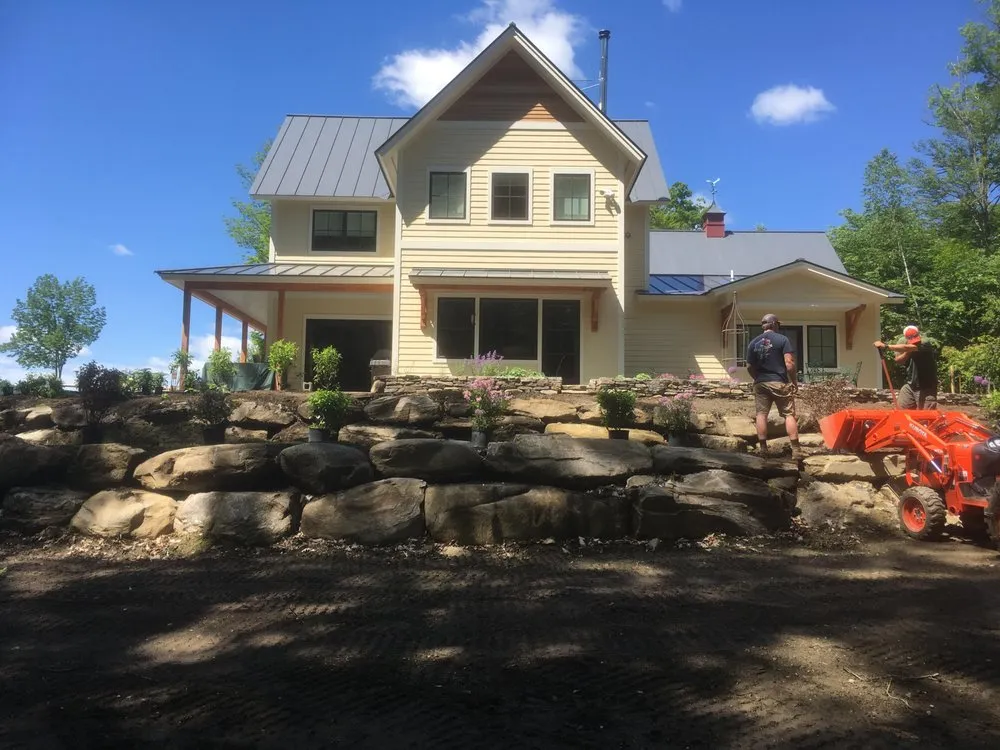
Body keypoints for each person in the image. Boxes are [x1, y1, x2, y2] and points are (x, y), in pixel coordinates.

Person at [745, 313, 801, 458]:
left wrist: (757, 378)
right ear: (775, 324)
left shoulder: (753, 343)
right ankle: (796, 450)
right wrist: (794, 382)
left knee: (761, 415)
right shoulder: (782, 340)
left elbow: (749, 366)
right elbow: (789, 364)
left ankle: (763, 449)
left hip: (761, 383)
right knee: (789, 415)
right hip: (779, 382)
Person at [874, 325, 938, 409]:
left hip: (926, 386)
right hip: (910, 384)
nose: (914, 342)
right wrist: (908, 352)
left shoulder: (925, 342)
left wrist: (886, 347)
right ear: (906, 338)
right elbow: (898, 360)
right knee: (901, 410)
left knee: (926, 417)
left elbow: (906, 347)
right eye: (911, 340)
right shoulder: (903, 341)